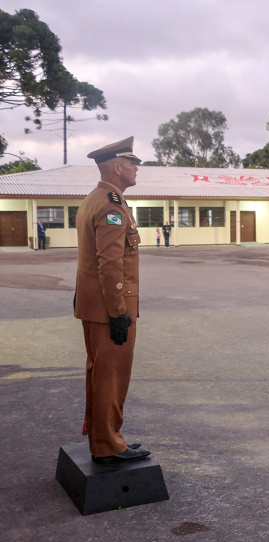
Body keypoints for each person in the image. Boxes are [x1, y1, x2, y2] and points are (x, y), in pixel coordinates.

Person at [74, 136, 149, 464]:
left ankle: (106, 436)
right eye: (132, 163)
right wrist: (119, 313)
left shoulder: (95, 198)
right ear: (117, 167)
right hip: (110, 310)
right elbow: (110, 264)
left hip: (94, 305)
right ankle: (107, 444)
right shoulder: (111, 204)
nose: (136, 169)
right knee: (111, 376)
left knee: (100, 373)